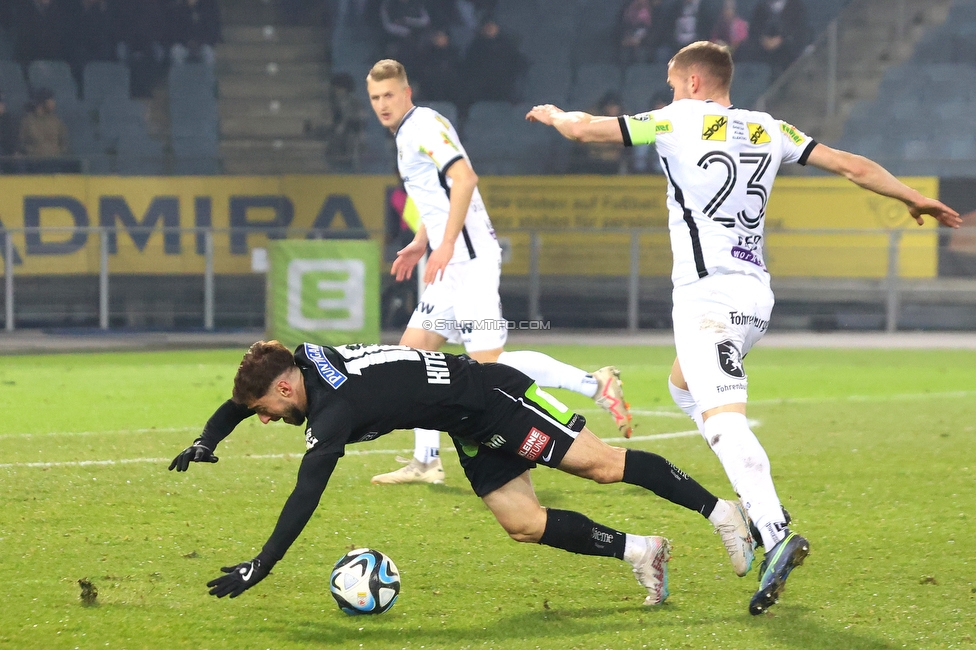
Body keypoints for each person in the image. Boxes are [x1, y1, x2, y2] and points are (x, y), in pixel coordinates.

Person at [525, 40, 962, 615]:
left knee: (724, 422)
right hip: (755, 298)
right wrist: (911, 197)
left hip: (708, 298)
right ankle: (757, 510)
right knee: (684, 388)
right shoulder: (766, 128)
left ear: (695, 83)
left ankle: (773, 529)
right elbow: (850, 164)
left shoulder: (675, 120)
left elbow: (584, 131)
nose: (670, 91)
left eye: (673, 82)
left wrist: (555, 115)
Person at [168, 340, 757, 602]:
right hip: (470, 425)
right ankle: (642, 552)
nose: (266, 420)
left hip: (496, 398)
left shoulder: (335, 408)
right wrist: (208, 437)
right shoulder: (304, 361)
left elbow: (306, 493)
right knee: (523, 523)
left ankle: (725, 513)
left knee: (603, 467)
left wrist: (261, 564)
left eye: (267, 409)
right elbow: (241, 400)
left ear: (287, 385)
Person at [365, 58, 633, 487]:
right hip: (449, 262)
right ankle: (426, 461)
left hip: (468, 263)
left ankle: (594, 383)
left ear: (406, 92)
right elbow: (438, 192)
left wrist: (447, 242)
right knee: (416, 356)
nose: (382, 103)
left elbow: (465, 178)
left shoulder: (422, 127)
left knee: (488, 366)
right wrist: (423, 240)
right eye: (375, 97)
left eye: (389, 95)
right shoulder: (408, 132)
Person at [737, 0, 808, 76]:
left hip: (790, 58)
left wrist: (781, 39)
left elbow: (801, 31)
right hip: (765, 62)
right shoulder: (760, 8)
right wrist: (763, 40)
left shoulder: (796, 6)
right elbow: (754, 31)